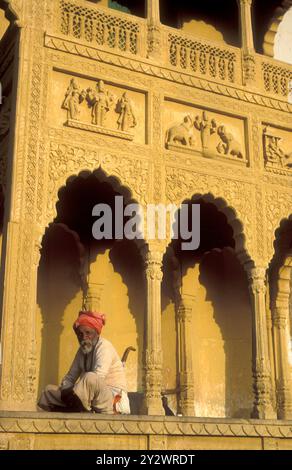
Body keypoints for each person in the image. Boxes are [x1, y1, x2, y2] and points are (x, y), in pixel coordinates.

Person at [38, 311, 130, 414]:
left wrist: (74, 391)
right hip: (87, 397)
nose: (83, 337)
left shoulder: (104, 347)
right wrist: (66, 391)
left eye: (88, 333)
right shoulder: (82, 350)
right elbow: (70, 377)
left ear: (96, 333)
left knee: (90, 377)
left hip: (111, 398)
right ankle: (76, 409)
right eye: (80, 334)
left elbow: (98, 377)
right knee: (48, 391)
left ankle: (75, 409)